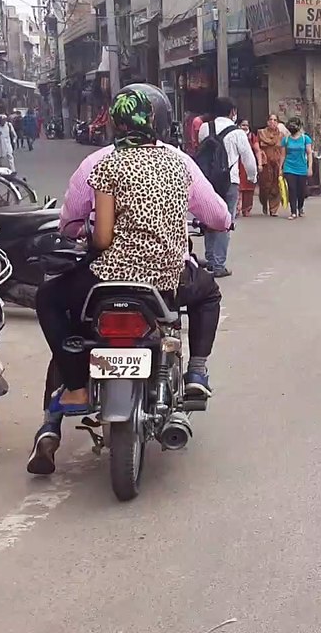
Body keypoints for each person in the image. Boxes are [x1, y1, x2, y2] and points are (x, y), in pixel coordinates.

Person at [27, 84, 232, 475]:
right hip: (169, 277)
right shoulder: (179, 163)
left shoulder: (103, 165)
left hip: (109, 275)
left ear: (114, 124)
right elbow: (219, 217)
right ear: (160, 122)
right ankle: (197, 370)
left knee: (53, 301)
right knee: (208, 294)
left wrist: (90, 236)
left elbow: (94, 235)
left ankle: (74, 387)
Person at [198, 97, 257, 277]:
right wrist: (252, 176)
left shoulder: (204, 128)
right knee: (225, 222)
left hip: (207, 181)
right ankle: (218, 265)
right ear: (232, 112)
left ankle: (209, 259)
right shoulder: (238, 133)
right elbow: (248, 159)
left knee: (209, 219)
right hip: (229, 181)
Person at [281, 117, 312, 219]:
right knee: (292, 189)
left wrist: (310, 167)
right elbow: (283, 155)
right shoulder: (285, 139)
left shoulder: (305, 139)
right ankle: (293, 211)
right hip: (289, 168)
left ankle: (300, 207)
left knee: (301, 191)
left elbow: (309, 153)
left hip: (302, 168)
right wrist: (280, 168)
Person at [256, 114, 287, 216]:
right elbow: (257, 148)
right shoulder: (261, 133)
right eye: (271, 120)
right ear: (267, 122)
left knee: (276, 186)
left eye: (275, 120)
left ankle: (274, 209)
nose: (273, 122)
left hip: (277, 163)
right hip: (266, 163)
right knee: (265, 186)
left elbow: (283, 150)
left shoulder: (281, 135)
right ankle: (264, 203)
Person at [236, 118, 258, 217]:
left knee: (249, 188)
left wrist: (260, 163)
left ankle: (247, 209)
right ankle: (237, 209)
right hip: (237, 164)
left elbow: (257, 150)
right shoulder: (234, 136)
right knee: (237, 187)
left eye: (246, 125)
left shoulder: (252, 136)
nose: (245, 127)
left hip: (248, 164)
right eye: (243, 125)